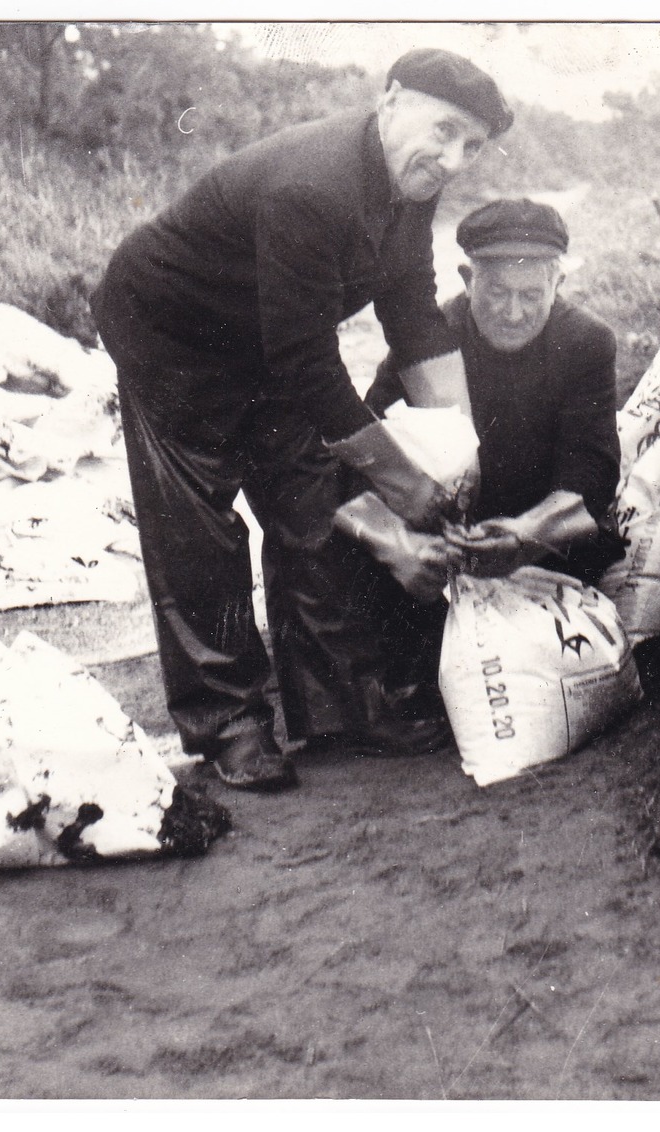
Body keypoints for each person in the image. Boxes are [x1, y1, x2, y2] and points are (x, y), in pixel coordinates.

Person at [90, 50, 513, 792]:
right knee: (201, 529)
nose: (452, 158)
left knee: (313, 501)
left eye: (472, 146)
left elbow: (411, 310)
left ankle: (339, 706)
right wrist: (405, 483)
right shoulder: (312, 186)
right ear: (390, 100)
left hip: (266, 337)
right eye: (443, 130)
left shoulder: (408, 185)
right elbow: (308, 365)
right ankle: (229, 724)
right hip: (171, 333)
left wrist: (461, 450)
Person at [337, 197, 624, 709]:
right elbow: (363, 455)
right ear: (468, 278)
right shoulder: (428, 338)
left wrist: (525, 534)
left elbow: (593, 474)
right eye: (496, 292)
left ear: (560, 283)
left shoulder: (587, 341)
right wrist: (399, 544)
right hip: (441, 540)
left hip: (535, 535)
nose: (513, 313)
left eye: (532, 295)